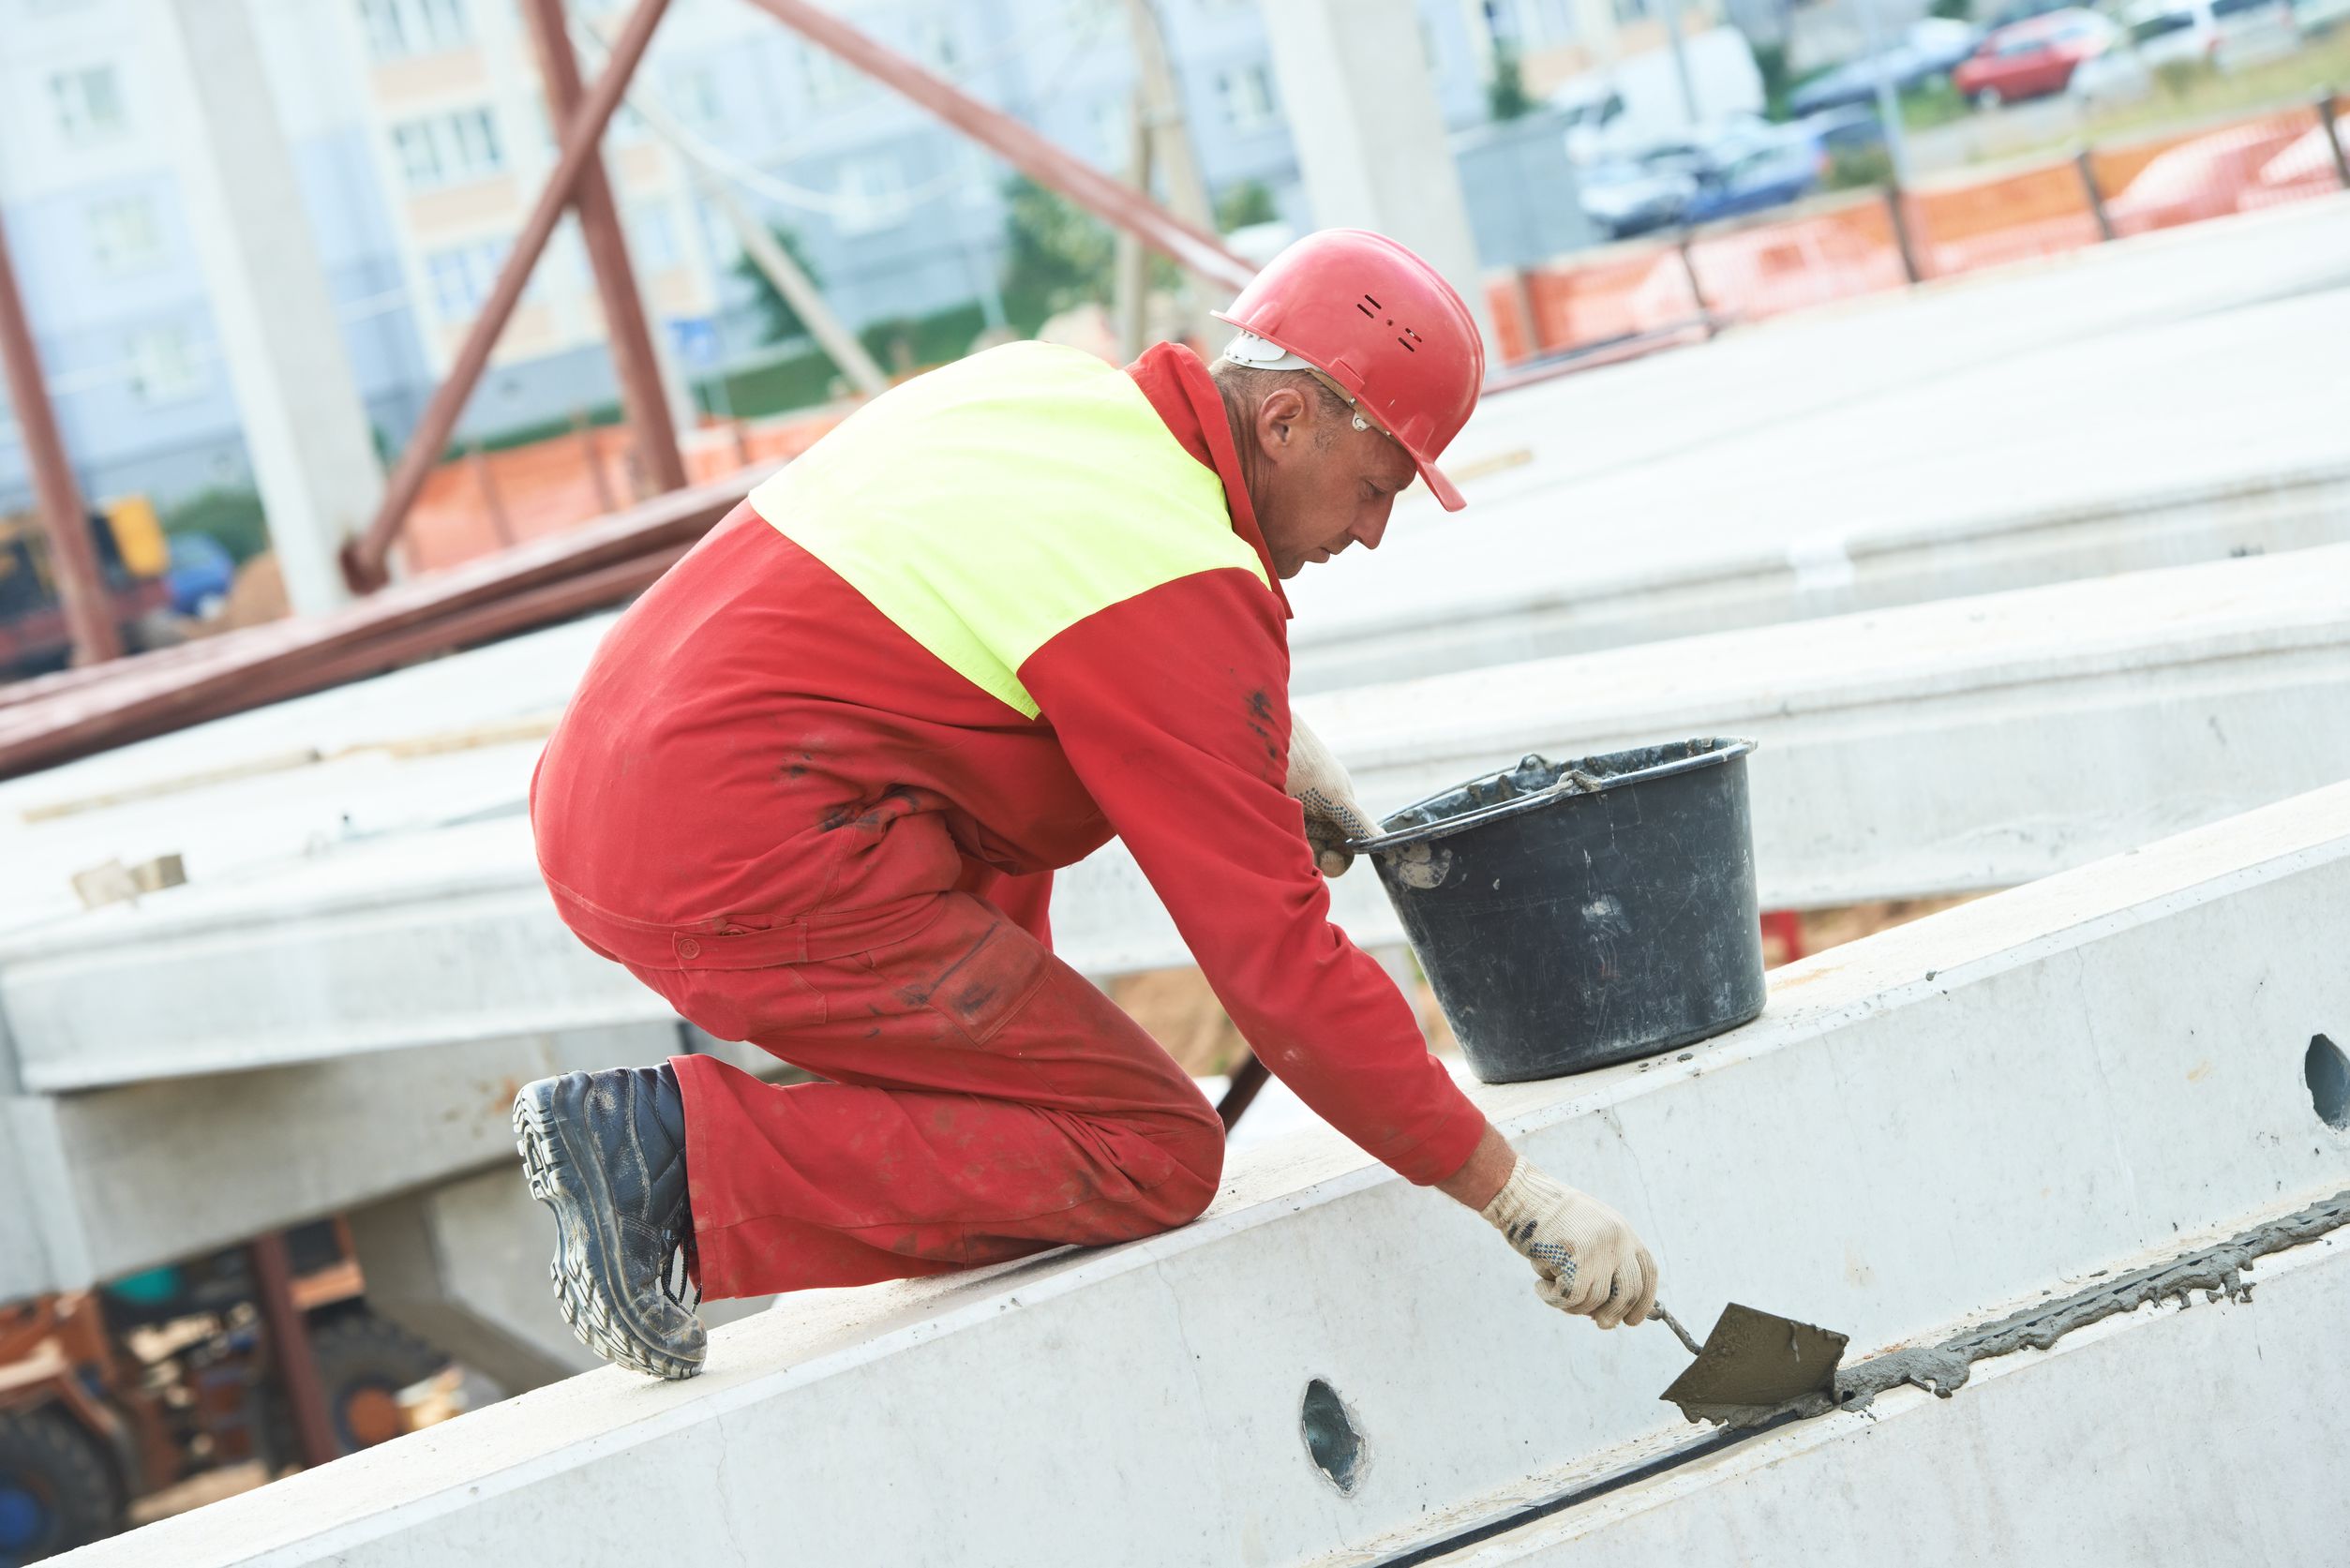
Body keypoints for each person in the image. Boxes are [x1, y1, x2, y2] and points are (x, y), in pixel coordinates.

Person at [515, 230, 1659, 1381]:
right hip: (733, 843)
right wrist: (1506, 1188)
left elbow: (983, 661)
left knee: (1020, 945)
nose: (1370, 531)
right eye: (1375, 488)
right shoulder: (1175, 591)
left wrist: (1258, 745)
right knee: (1153, 1148)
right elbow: (1276, 965)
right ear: (1284, 422)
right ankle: (665, 1163)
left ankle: (899, 1178)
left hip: (616, 783)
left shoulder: (1052, 396)